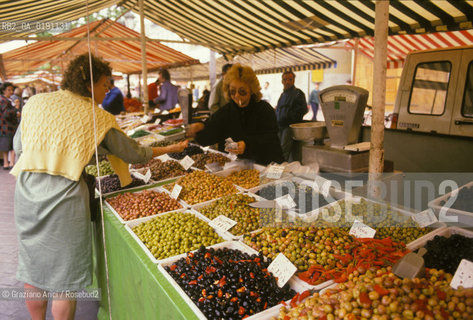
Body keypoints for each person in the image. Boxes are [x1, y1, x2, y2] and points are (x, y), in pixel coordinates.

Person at [10, 53, 188, 320]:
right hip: (64, 201)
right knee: (65, 282)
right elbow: (134, 154)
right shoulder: (95, 116)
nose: (108, 91)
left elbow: (18, 147)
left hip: (26, 194)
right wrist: (172, 148)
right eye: (105, 84)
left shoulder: (35, 102)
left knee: (33, 271)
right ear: (89, 82)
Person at [187, 64, 284, 165]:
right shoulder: (226, 111)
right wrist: (200, 128)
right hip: (237, 169)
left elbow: (270, 138)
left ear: (251, 90)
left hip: (266, 164)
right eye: (233, 91)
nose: (237, 95)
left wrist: (247, 145)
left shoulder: (264, 109)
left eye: (242, 92)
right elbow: (211, 133)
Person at [275, 70, 307, 161]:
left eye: (290, 79)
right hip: (280, 127)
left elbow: (303, 110)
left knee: (283, 151)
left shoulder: (298, 93)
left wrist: (289, 118)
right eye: (285, 79)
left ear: (293, 80)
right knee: (279, 150)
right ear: (282, 81)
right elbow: (279, 109)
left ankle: (278, 173)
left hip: (290, 127)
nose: (287, 82)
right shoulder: (282, 95)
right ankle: (278, 170)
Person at [0, 82, 19, 170]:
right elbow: (6, 114)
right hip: (8, 126)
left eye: (12, 90)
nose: (11, 92)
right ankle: (10, 162)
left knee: (7, 145)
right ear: (3, 90)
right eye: (9, 90)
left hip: (5, 126)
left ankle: (7, 163)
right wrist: (16, 109)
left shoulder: (7, 99)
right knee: (11, 144)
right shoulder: (4, 100)